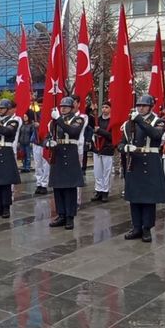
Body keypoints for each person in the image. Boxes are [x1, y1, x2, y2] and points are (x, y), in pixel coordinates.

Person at [118, 95, 165, 242]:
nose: (140, 108)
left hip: (150, 161)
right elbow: (120, 144)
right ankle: (136, 227)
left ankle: (147, 228)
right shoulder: (128, 124)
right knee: (135, 197)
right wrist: (125, 147)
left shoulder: (158, 122)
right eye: (139, 105)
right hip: (135, 161)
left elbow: (156, 135)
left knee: (148, 198)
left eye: (144, 106)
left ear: (151, 106)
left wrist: (139, 120)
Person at [46, 96, 85, 230]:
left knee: (69, 188)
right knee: (58, 187)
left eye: (66, 107)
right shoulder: (54, 122)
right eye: (61, 106)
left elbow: (73, 131)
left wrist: (58, 119)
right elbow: (47, 137)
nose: (62, 109)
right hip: (58, 155)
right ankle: (61, 214)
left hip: (70, 154)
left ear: (72, 108)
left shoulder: (78, 119)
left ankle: (70, 217)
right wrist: (48, 143)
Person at [0, 99, 21, 218]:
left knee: (5, 182)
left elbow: (6, 132)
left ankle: (6, 207)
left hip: (5, 151)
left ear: (8, 110)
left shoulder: (13, 121)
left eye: (2, 108)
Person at [91, 102, 115, 203]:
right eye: (103, 107)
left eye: (106, 107)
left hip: (107, 149)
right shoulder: (98, 119)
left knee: (106, 172)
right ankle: (99, 190)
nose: (104, 109)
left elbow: (112, 136)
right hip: (97, 149)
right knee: (97, 172)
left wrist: (100, 131)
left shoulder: (112, 121)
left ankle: (105, 191)